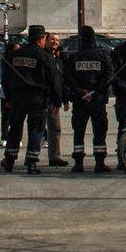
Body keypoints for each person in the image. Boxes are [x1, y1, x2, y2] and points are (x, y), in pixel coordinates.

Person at [0, 25, 60, 174]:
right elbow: (54, 80)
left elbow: (6, 78)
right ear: (41, 39)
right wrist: (56, 101)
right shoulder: (45, 57)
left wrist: (7, 96)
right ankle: (32, 162)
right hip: (37, 99)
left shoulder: (15, 55)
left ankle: (9, 160)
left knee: (14, 129)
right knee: (35, 130)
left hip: (17, 98)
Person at [64, 25, 114, 173]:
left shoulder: (75, 57)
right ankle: (99, 163)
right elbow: (109, 75)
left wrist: (81, 92)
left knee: (78, 131)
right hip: (97, 100)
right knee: (99, 131)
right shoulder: (103, 56)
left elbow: (68, 77)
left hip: (80, 101)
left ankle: (78, 163)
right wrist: (95, 91)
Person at [44, 31, 69, 167]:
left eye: (57, 40)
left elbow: (61, 81)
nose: (55, 42)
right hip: (44, 100)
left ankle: (55, 156)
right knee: (38, 130)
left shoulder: (59, 59)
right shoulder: (44, 58)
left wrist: (64, 100)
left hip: (55, 101)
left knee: (55, 129)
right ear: (45, 41)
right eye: (52, 39)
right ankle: (31, 157)